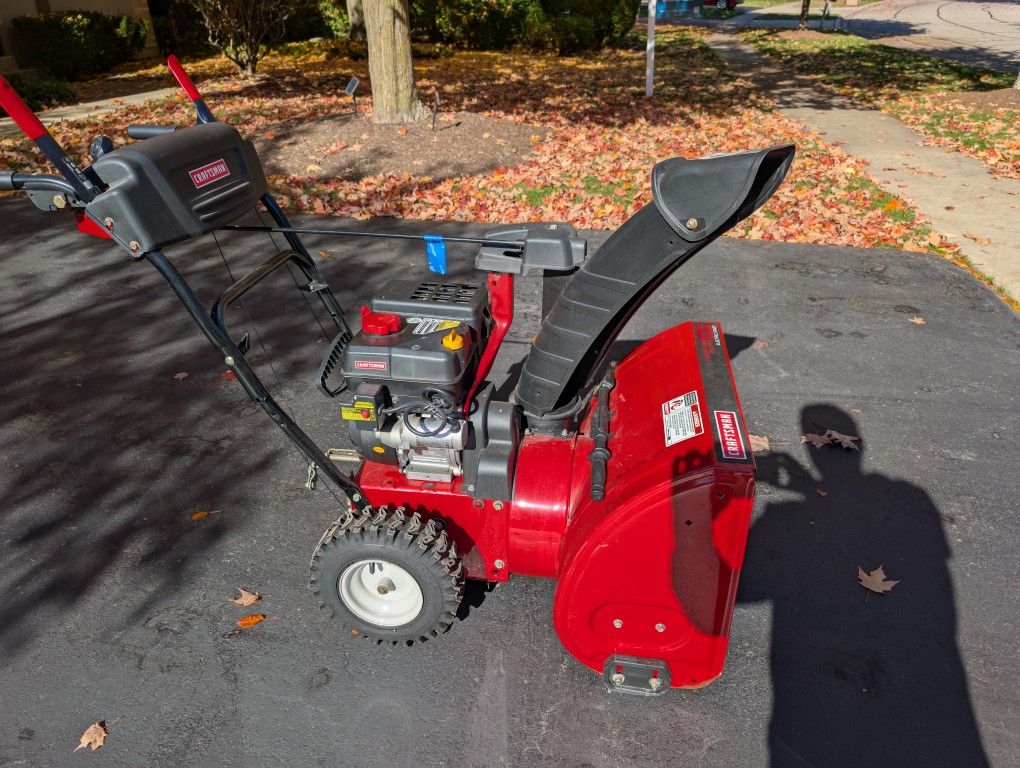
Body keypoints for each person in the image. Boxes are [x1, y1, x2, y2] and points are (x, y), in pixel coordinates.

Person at [738, 405, 988, 767]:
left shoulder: (788, 518)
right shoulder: (910, 497)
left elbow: (746, 592)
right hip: (932, 700)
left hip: (812, 718)